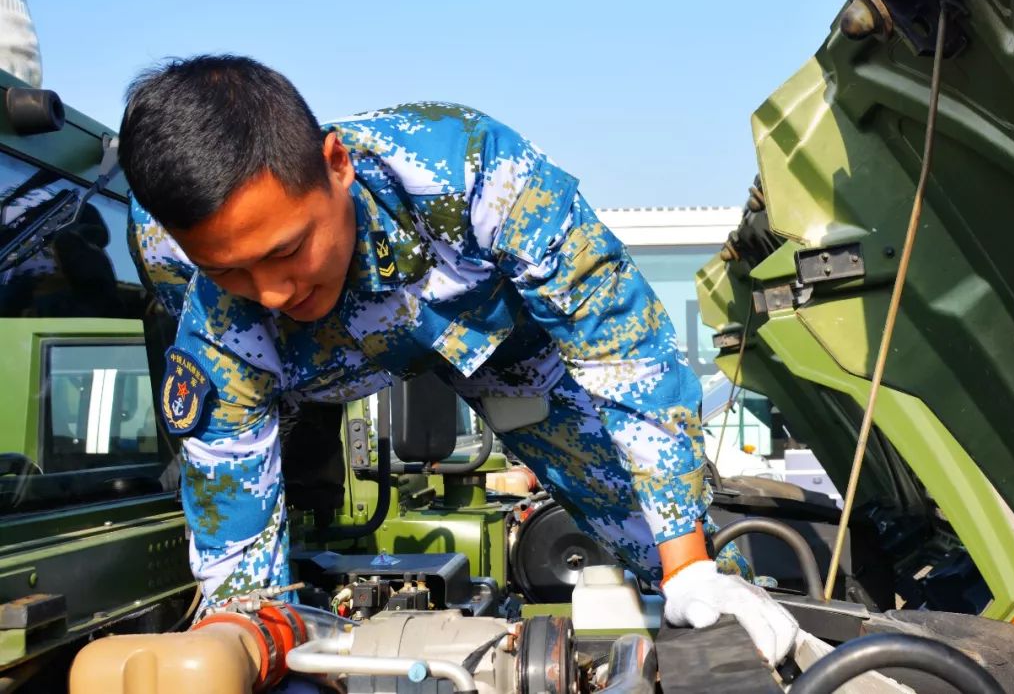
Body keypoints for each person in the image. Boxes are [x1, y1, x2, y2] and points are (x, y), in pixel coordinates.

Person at [120, 55, 797, 666]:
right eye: (233, 270)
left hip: (504, 351)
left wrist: (687, 570)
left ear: (336, 164)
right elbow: (233, 535)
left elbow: (623, 352)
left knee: (687, 564)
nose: (272, 291)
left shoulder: (470, 173)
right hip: (303, 386)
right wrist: (247, 634)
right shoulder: (200, 295)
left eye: (285, 250)